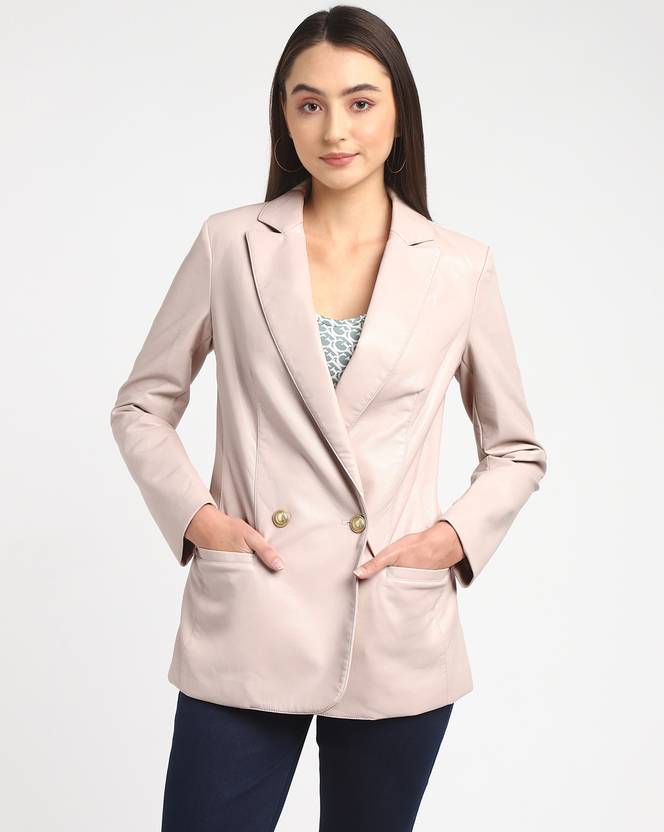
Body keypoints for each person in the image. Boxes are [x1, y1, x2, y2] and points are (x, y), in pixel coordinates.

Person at [110, 6, 547, 831]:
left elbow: (516, 448)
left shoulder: (459, 267)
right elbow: (142, 404)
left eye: (360, 102)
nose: (334, 129)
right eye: (308, 103)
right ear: (284, 116)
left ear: (399, 113)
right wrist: (199, 519)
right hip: (253, 610)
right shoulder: (231, 244)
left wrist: (450, 540)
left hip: (390, 619)